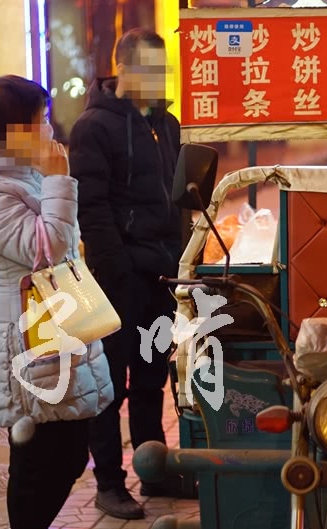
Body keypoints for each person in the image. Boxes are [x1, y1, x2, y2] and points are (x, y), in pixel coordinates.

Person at [0, 75, 114, 529]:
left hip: (52, 326)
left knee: (61, 456)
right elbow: (49, 249)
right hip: (27, 342)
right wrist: (60, 179)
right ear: (14, 130)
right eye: (39, 120)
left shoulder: (22, 172)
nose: (49, 129)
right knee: (41, 463)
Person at [69, 29, 186, 519]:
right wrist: (116, 272)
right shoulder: (93, 127)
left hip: (160, 277)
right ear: (125, 70)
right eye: (152, 70)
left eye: (165, 69)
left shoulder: (168, 124)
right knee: (109, 386)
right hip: (117, 281)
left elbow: (177, 195)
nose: (162, 80)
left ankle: (153, 469)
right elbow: (91, 210)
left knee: (150, 380)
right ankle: (110, 483)